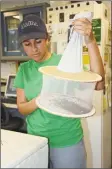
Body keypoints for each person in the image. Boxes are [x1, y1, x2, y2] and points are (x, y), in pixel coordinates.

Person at [14, 14, 105, 168]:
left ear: (47, 39)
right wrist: (40, 99)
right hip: (37, 142)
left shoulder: (64, 63)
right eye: (27, 44)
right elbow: (22, 108)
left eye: (38, 41)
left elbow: (98, 84)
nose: (34, 49)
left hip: (67, 141)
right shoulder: (24, 70)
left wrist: (90, 40)